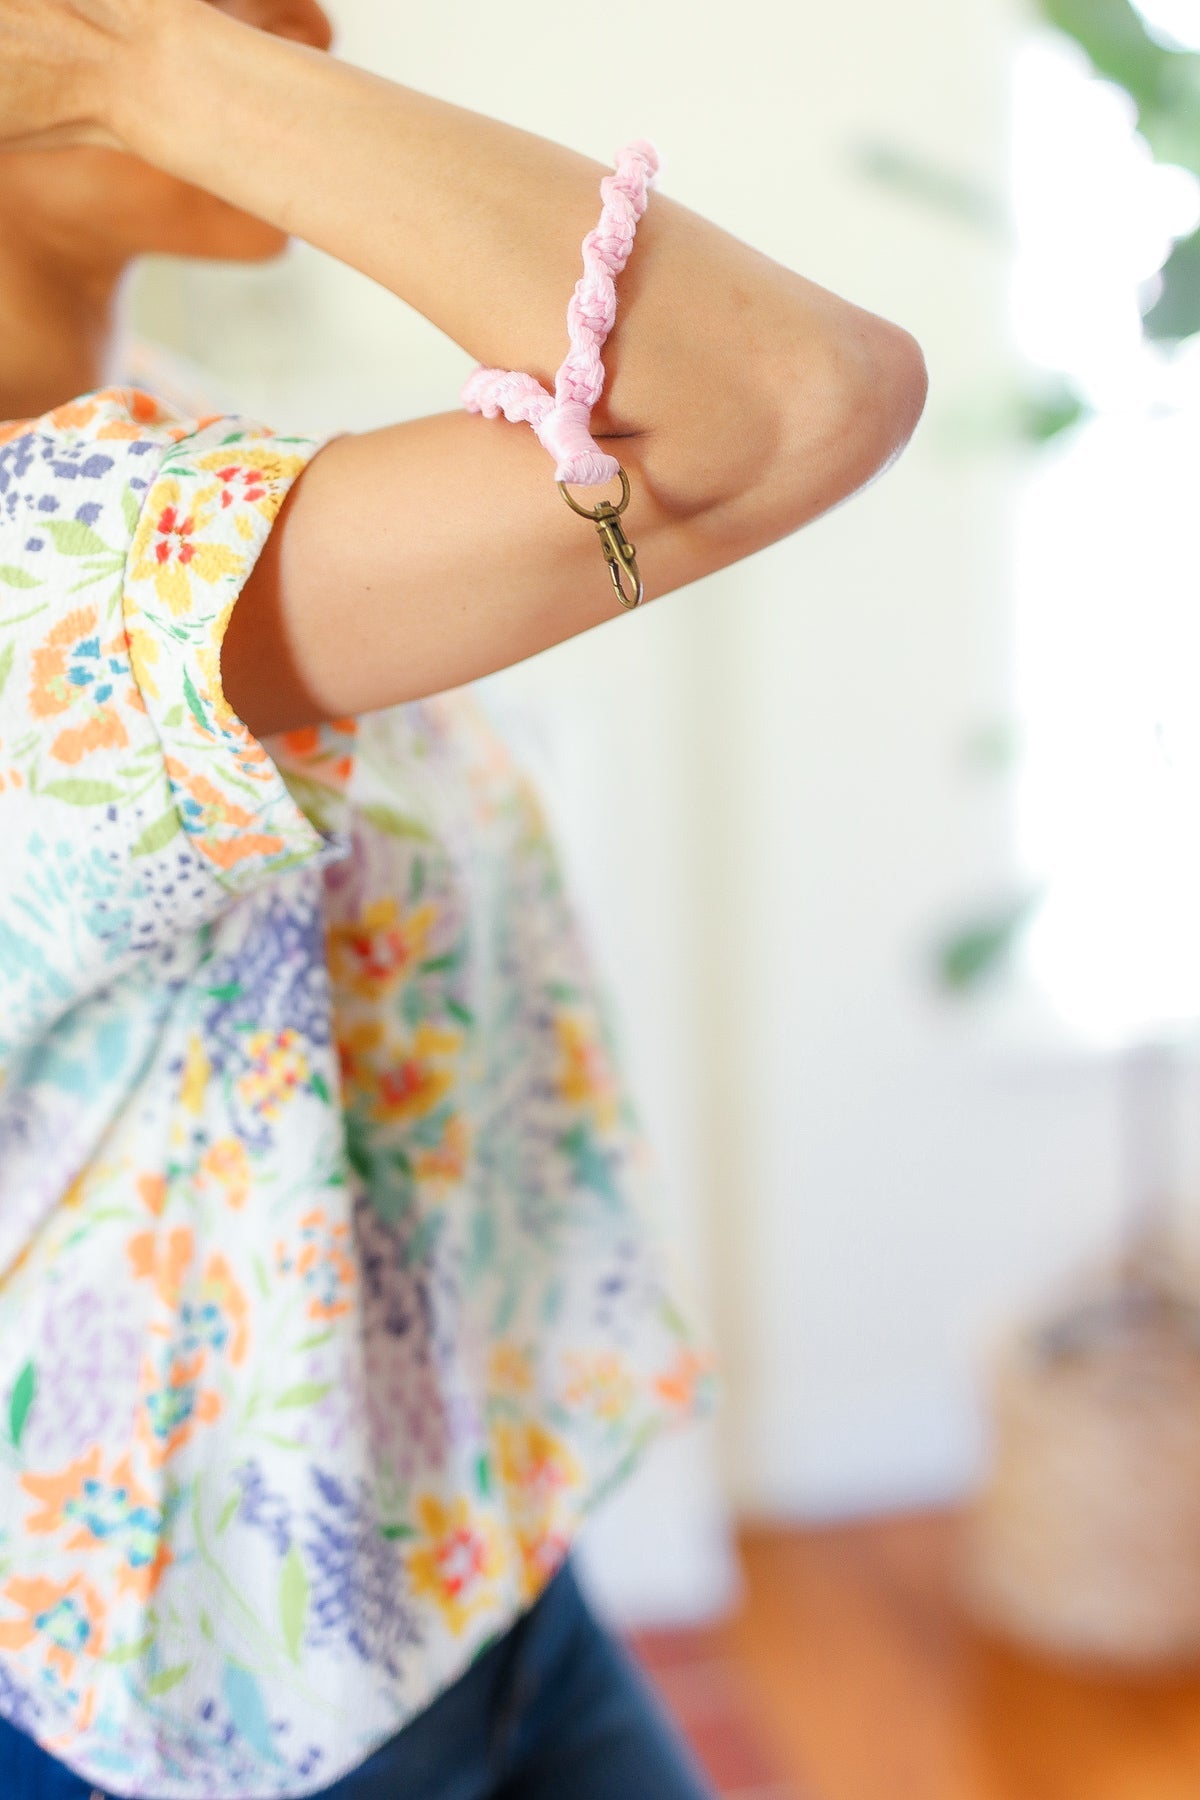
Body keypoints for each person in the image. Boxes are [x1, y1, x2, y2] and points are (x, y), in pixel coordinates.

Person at [0, 2, 928, 1796]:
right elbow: (802, 394)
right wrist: (139, 66)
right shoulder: (51, 577)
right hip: (200, 1720)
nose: (302, 23)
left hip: (454, 1579)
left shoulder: (162, 460)